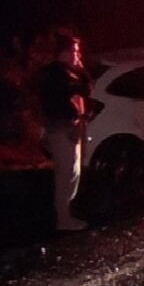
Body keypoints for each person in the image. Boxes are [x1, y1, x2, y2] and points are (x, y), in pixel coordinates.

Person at [36, 32, 94, 231]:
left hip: (70, 125)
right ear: (62, 52)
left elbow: (86, 89)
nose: (76, 54)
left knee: (72, 171)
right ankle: (63, 217)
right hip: (61, 127)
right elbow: (63, 96)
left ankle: (66, 212)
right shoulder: (55, 74)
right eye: (73, 50)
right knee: (66, 172)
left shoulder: (68, 72)